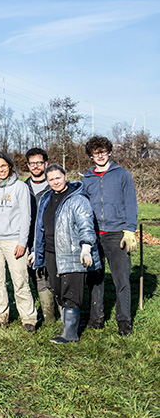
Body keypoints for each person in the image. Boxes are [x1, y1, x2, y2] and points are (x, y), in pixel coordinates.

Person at [32, 164, 101, 343]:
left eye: (58, 177)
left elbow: (86, 224)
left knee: (71, 292)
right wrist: (35, 250)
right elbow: (40, 227)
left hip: (72, 253)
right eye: (51, 179)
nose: (55, 182)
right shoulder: (46, 198)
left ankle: (70, 334)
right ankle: (67, 326)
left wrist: (86, 247)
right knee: (58, 289)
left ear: (65, 176)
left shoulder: (77, 199)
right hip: (51, 252)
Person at [82, 136, 138, 336]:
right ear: (91, 155)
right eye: (96, 153)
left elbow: (131, 202)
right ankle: (96, 318)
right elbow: (83, 206)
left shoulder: (122, 174)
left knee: (121, 279)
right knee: (95, 278)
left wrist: (129, 229)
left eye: (103, 152)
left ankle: (124, 321)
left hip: (117, 233)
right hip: (94, 234)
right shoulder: (87, 178)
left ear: (109, 152)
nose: (100, 156)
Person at [0, 153, 37, 332]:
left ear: (10, 166)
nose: (1, 169)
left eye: (3, 165)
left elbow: (26, 216)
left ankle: (29, 318)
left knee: (20, 281)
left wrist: (22, 242)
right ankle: (0, 316)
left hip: (13, 241)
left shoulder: (20, 187)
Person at [22, 147, 56, 322]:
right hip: (28, 238)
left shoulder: (54, 186)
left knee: (52, 273)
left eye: (39, 163)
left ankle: (58, 310)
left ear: (46, 163)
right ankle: (48, 312)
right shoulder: (22, 188)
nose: (35, 166)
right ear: (28, 165)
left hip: (50, 238)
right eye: (32, 163)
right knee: (35, 273)